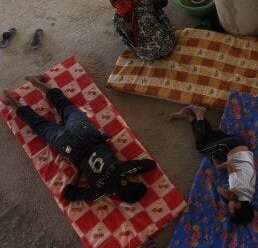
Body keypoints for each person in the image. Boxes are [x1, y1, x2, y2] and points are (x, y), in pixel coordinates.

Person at [2, 75, 157, 202]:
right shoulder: (101, 191)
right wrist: (77, 171)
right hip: (69, 147)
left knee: (65, 106)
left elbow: (150, 164)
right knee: (39, 125)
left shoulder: (122, 169)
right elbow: (68, 195)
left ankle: (35, 82)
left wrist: (131, 171)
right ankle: (12, 99)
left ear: (125, 181)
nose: (134, 178)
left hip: (86, 134)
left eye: (134, 180)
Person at [169, 105, 256, 224]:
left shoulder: (248, 196)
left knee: (209, 139)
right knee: (202, 147)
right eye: (230, 208)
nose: (227, 207)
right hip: (231, 146)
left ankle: (189, 117)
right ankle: (199, 114)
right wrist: (218, 166)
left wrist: (229, 196)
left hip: (239, 147)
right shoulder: (236, 186)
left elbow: (223, 189)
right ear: (238, 205)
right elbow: (230, 165)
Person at [108, 0, 176, 61]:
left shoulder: (116, 18)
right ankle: (168, 32)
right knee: (156, 8)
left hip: (146, 56)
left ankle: (145, 48)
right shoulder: (143, 4)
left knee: (125, 29)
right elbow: (164, 1)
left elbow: (125, 39)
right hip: (167, 46)